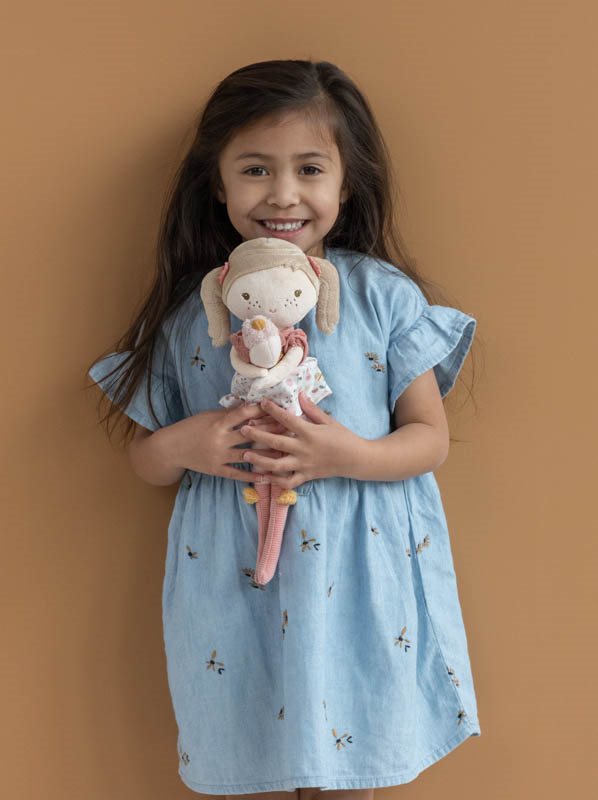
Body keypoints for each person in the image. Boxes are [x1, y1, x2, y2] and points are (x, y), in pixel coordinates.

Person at [87, 59, 482, 800]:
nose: (282, 194)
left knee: (353, 766)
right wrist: (187, 444)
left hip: (356, 576)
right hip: (235, 579)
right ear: (218, 183)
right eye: (255, 170)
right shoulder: (194, 315)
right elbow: (147, 460)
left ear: (347, 182)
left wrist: (348, 453)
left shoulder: (381, 297)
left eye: (309, 168)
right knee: (256, 762)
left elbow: (428, 439)